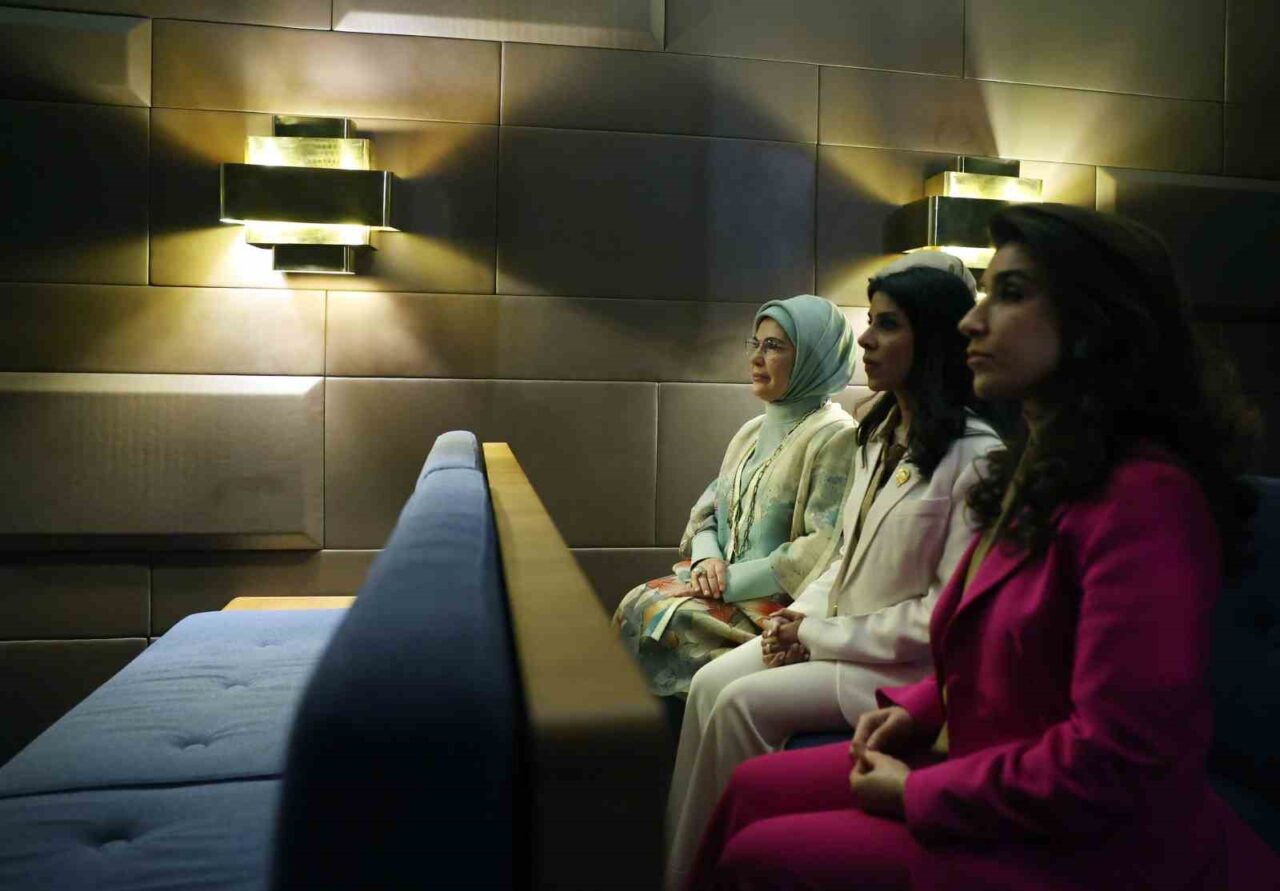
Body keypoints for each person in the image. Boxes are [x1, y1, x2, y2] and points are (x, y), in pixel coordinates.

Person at [686, 204, 1278, 890]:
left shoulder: (1148, 499)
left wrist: (917, 792)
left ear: (1095, 324)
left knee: (759, 855)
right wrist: (916, 709)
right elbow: (984, 648)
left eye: (1011, 294)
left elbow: (1116, 762)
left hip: (1083, 843)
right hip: (985, 761)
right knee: (749, 789)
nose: (972, 320)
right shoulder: (1039, 470)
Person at [665, 254, 1000, 890]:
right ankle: (680, 873)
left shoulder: (976, 457)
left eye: (888, 325)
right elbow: (841, 555)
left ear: (932, 338)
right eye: (869, 321)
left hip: (896, 664)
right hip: (833, 630)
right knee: (709, 683)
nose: (866, 339)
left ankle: (727, 875)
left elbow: (943, 615)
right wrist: (796, 619)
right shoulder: (879, 433)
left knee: (738, 705)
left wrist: (816, 636)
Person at [613, 294, 857, 700]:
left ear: (814, 358)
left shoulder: (837, 437)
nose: (756, 358)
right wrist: (706, 560)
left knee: (662, 623)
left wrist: (727, 584)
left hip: (774, 611)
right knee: (638, 604)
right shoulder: (751, 431)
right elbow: (711, 506)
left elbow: (822, 546)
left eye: (774, 346)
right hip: (717, 586)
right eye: (755, 344)